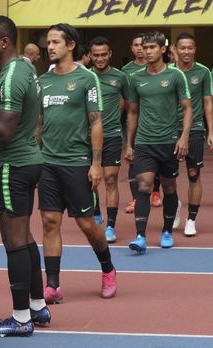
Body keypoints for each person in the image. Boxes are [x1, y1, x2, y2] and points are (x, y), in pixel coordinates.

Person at [0, 15, 51, 337]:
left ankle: (21, 317)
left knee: (14, 242)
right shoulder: (24, 67)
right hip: (27, 161)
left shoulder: (11, 77)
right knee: (26, 238)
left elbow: (3, 131)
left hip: (12, 165)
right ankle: (37, 306)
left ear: (4, 41)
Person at [38, 23, 117, 304]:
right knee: (49, 222)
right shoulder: (42, 81)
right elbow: (39, 123)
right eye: (48, 42)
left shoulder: (86, 79)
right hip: (47, 162)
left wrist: (96, 163)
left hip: (76, 162)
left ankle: (108, 269)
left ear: (71, 45)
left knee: (86, 223)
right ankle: (53, 285)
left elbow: (96, 123)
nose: (50, 47)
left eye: (56, 42)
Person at [124, 31, 192, 254]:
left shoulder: (175, 76)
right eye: (145, 47)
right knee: (143, 185)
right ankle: (140, 236)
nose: (147, 51)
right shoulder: (136, 78)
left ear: (163, 49)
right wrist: (129, 144)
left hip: (169, 142)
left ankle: (166, 231)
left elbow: (187, 108)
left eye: (153, 47)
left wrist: (184, 137)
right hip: (144, 142)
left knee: (169, 187)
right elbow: (132, 113)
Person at [88, 35, 134, 242]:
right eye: (96, 55)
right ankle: (96, 210)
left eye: (104, 54)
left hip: (113, 135)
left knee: (110, 179)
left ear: (110, 54)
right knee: (90, 181)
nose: (100, 58)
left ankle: (111, 226)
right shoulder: (84, 77)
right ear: (89, 55)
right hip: (86, 138)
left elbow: (130, 106)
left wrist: (130, 141)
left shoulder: (120, 77)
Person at [172, 32, 213, 236]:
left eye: (190, 48)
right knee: (168, 177)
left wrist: (212, 132)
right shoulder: (169, 72)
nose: (186, 52)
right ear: (175, 49)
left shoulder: (203, 72)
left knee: (194, 174)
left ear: (195, 49)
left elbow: (208, 103)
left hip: (195, 129)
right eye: (182, 48)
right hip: (169, 130)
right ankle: (173, 206)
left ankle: (191, 219)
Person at [121, 33, 160, 213]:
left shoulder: (160, 69)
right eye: (136, 45)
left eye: (142, 45)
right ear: (132, 48)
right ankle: (136, 198)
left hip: (156, 122)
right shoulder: (126, 71)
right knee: (133, 158)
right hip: (135, 120)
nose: (139, 48)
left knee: (157, 158)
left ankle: (155, 192)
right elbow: (124, 98)